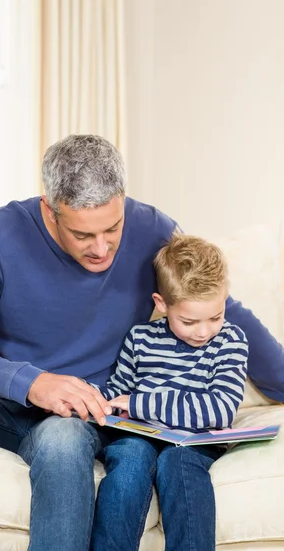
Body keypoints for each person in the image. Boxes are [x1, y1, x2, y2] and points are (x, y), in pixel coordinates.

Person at [0, 134, 284, 551]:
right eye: (83, 235)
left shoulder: (153, 229)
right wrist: (32, 382)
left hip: (82, 414)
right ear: (50, 210)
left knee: (63, 440)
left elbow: (218, 308)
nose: (102, 249)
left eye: (113, 228)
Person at [89, 233, 248, 548]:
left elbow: (220, 410)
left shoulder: (231, 340)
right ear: (161, 305)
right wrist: (95, 399)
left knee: (178, 464)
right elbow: (118, 394)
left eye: (215, 317)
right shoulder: (140, 338)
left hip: (194, 442)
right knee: (129, 460)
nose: (203, 332)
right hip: (139, 436)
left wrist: (141, 404)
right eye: (189, 321)